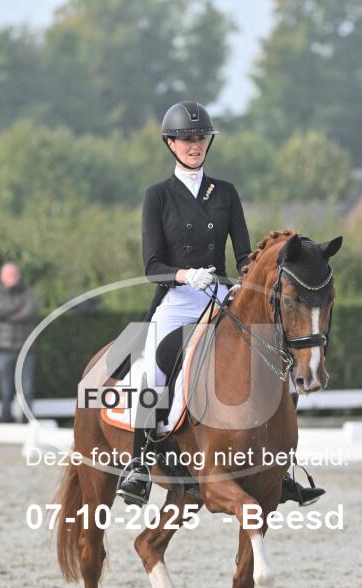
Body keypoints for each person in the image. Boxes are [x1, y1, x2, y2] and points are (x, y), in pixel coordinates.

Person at [116, 101, 324, 507]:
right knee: (150, 371)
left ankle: (282, 470)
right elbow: (152, 266)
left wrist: (252, 277)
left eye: (200, 138)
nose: (195, 145)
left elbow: (245, 254)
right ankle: (139, 465)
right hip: (177, 300)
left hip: (220, 297)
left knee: (277, 369)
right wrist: (184, 275)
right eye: (187, 139)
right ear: (171, 144)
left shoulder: (225, 192)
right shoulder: (158, 196)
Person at [0, 263, 39, 422]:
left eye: (14, 274)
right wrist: (17, 307)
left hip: (26, 349)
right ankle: (5, 420)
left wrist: (7, 315)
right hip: (4, 348)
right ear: (2, 277)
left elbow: (30, 311)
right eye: (9, 275)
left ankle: (26, 420)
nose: (12, 278)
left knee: (27, 389)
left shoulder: (28, 293)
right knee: (5, 389)